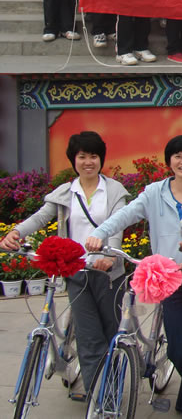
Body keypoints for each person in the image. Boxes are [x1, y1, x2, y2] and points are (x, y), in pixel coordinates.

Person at [86, 135, 182, 415]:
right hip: (168, 280)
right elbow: (124, 215)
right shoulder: (154, 193)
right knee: (178, 349)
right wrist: (99, 233)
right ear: (169, 161)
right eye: (177, 156)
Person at [0, 131, 128, 400]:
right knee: (88, 337)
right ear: (74, 160)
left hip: (107, 274)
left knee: (111, 334)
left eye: (93, 156)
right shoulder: (66, 192)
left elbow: (117, 224)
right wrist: (16, 232)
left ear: (101, 159)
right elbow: (39, 217)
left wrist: (111, 257)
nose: (88, 162)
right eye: (82, 156)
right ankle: (98, 398)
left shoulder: (114, 191)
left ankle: (112, 389)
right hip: (77, 273)